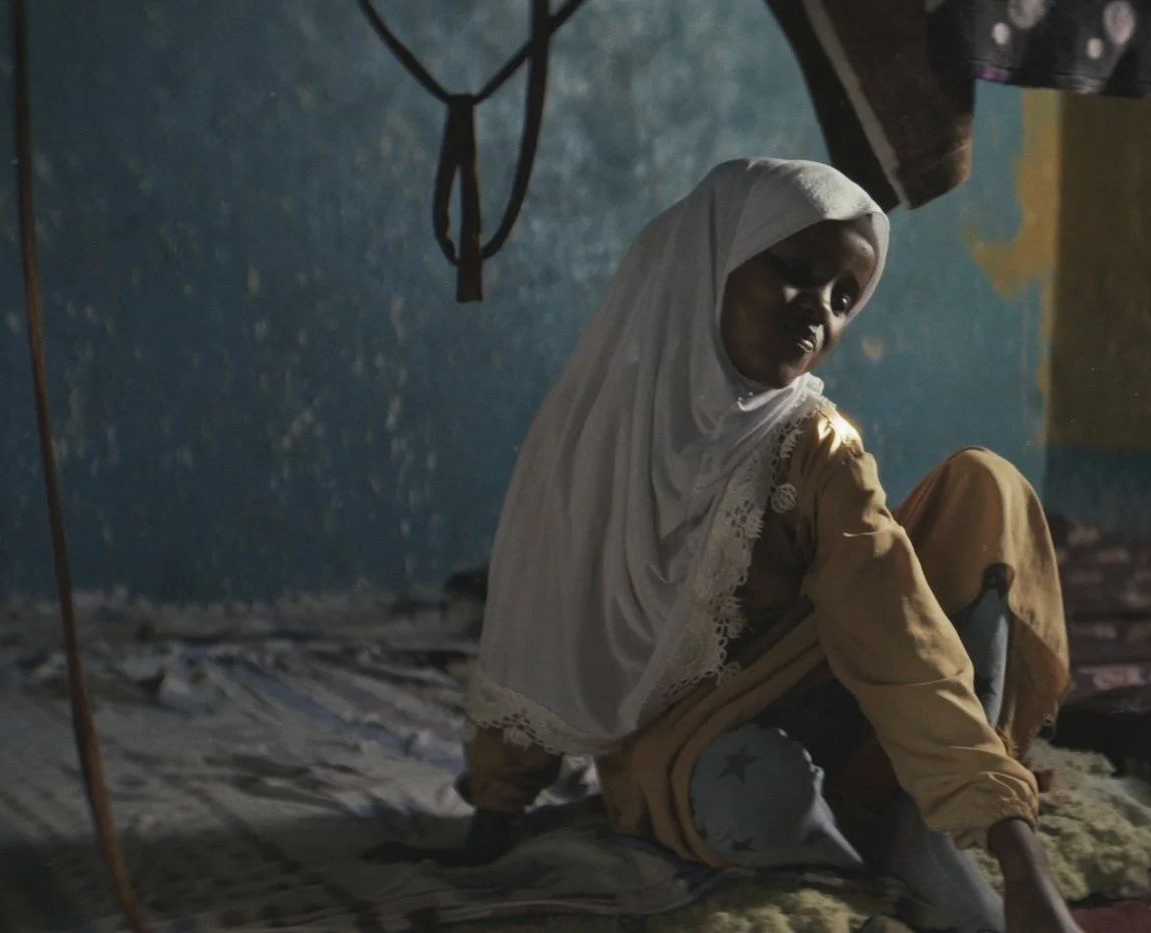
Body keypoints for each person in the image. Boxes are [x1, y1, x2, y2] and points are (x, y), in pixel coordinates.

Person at [451, 157, 1082, 933]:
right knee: (752, 793)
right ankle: (870, 827)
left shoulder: (814, 446)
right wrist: (493, 817)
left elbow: (898, 633)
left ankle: (930, 819)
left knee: (985, 487)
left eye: (845, 298)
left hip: (839, 691)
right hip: (691, 742)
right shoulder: (589, 436)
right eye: (795, 271)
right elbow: (533, 633)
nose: (820, 310)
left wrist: (1018, 856)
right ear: (713, 262)